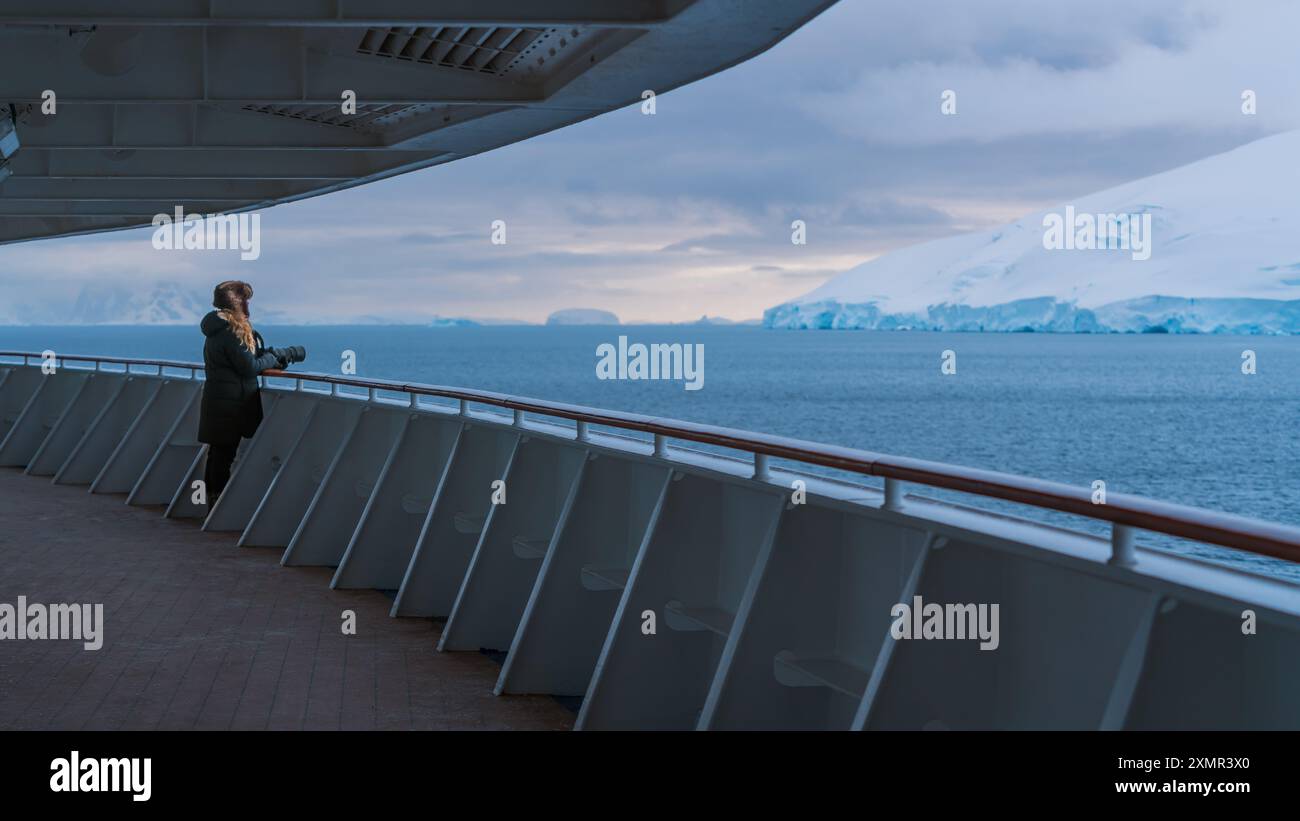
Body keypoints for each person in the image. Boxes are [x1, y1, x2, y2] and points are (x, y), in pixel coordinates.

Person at [197, 280, 298, 512]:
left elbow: (241, 362)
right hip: (231, 404)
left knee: (217, 454)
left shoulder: (216, 330)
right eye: (246, 299)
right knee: (224, 455)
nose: (249, 304)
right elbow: (249, 367)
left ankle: (211, 506)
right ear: (238, 302)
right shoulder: (231, 331)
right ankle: (217, 509)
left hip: (218, 399)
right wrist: (276, 356)